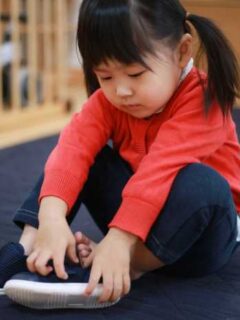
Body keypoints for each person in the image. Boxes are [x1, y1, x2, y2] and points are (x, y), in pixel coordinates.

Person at [1, 0, 240, 309]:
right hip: (139, 220)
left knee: (202, 183)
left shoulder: (205, 100)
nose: (121, 91)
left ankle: (125, 264)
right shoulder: (109, 102)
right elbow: (72, 149)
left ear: (182, 52)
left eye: (135, 74)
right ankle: (31, 249)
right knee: (79, 156)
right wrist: (51, 218)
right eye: (106, 77)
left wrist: (120, 240)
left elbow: (160, 170)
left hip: (201, 240)